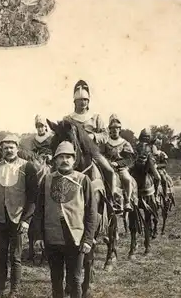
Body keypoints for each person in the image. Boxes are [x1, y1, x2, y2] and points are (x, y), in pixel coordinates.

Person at [32, 141, 98, 298]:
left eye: (68, 157)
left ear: (74, 160)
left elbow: (91, 212)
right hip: (52, 236)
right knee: (55, 280)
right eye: (61, 157)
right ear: (55, 160)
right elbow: (39, 211)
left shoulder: (83, 180)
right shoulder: (47, 180)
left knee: (75, 280)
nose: (65, 160)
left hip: (75, 237)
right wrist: (39, 236)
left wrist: (88, 239)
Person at [0, 134, 38, 298]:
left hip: (17, 219)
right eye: (5, 147)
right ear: (1, 149)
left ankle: (14, 293)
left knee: (15, 257)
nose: (8, 150)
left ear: (17, 148)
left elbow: (33, 197)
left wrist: (26, 220)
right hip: (0, 218)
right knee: (0, 256)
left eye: (11, 147)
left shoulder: (27, 167)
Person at [63, 80, 121, 213]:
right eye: (80, 100)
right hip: (72, 153)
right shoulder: (68, 119)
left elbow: (105, 134)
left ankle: (112, 201)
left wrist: (94, 137)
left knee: (110, 171)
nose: (82, 103)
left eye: (85, 100)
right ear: (74, 102)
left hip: (93, 152)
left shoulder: (96, 117)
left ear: (88, 101)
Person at [103, 114, 135, 212]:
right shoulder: (105, 142)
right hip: (108, 167)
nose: (114, 130)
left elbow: (130, 159)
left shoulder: (124, 143)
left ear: (119, 129)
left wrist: (119, 163)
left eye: (116, 128)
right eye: (112, 128)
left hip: (121, 168)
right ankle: (112, 201)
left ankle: (127, 201)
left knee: (127, 179)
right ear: (109, 129)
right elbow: (101, 154)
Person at [132, 128, 161, 204]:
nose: (145, 138)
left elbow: (155, 155)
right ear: (141, 136)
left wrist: (152, 158)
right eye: (144, 136)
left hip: (149, 162)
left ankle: (156, 195)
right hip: (137, 163)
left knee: (158, 177)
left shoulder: (152, 146)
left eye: (147, 136)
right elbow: (133, 153)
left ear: (150, 137)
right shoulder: (137, 145)